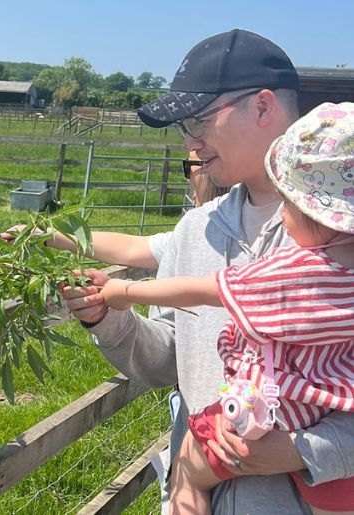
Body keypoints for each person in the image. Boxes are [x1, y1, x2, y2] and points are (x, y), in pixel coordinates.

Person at [59, 29, 354, 514]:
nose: (191, 141)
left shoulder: (340, 247)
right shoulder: (196, 231)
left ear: (262, 106)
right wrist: (105, 319)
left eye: (200, 120)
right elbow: (167, 361)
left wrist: (303, 451)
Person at [1, 149, 230, 270]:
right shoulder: (192, 238)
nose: (187, 178)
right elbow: (130, 247)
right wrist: (44, 236)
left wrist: (122, 292)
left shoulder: (218, 245)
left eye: (188, 167)